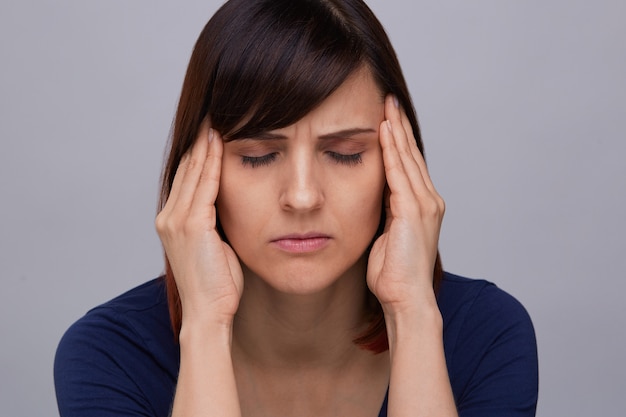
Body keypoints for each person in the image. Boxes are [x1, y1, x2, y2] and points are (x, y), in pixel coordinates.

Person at [54, 0, 538, 416]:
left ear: (398, 163)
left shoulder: (488, 336)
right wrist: (205, 326)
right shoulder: (108, 356)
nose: (303, 196)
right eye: (259, 156)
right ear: (197, 172)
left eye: (345, 152)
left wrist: (412, 315)